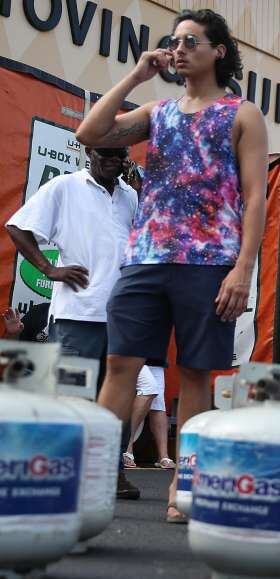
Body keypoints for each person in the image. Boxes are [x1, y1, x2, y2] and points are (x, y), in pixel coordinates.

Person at [76, 8, 268, 522]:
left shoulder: (242, 114)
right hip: (145, 258)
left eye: (190, 41)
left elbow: (254, 198)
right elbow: (89, 134)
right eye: (173, 42)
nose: (178, 49)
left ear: (218, 51)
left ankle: (187, 486)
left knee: (197, 375)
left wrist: (243, 268)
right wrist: (137, 75)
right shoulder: (157, 111)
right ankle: (88, 479)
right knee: (120, 366)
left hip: (210, 263)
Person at [5, 147, 140, 500]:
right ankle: (65, 472)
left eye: (120, 152)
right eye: (106, 151)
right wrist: (49, 269)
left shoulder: (131, 195)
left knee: (119, 402)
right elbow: (17, 226)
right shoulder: (65, 186)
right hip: (77, 314)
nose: (114, 157)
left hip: (124, 317)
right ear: (90, 151)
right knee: (72, 398)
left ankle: (112, 474)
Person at [124, 365, 175, 469]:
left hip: (155, 356)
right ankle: (126, 448)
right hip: (136, 354)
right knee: (149, 388)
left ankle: (163, 456)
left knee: (159, 404)